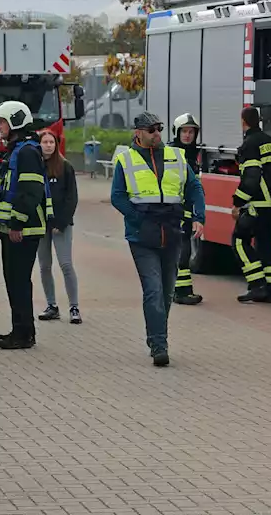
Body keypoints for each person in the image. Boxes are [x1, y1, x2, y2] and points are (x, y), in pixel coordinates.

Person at [111, 112, 205, 367]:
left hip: (172, 233)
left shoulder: (176, 156)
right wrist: (138, 219)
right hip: (142, 237)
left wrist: (199, 216)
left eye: (159, 130)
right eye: (151, 130)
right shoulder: (126, 160)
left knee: (166, 292)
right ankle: (160, 344)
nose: (156, 134)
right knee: (152, 291)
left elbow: (194, 186)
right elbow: (117, 196)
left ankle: (155, 337)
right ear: (138, 132)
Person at [0, 100, 50, 350]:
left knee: (19, 281)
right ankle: (20, 330)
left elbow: (31, 191)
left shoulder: (26, 152)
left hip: (23, 229)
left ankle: (23, 334)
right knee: (14, 281)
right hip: (15, 229)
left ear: (14, 122)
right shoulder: (17, 150)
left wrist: (16, 224)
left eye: (1, 122)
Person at [233, 107, 271, 303]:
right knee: (264, 245)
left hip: (256, 206)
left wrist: (238, 202)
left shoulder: (249, 145)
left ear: (243, 121)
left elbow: (252, 179)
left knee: (238, 241)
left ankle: (256, 285)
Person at [36, 130, 81, 325]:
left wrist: (61, 222)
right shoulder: (36, 167)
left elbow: (72, 198)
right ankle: (51, 305)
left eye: (51, 142)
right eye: (45, 142)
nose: (48, 145)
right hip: (40, 225)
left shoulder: (65, 167)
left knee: (66, 264)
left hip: (60, 226)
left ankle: (74, 306)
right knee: (44, 266)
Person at [169, 113, 204, 306]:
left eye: (191, 132)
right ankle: (180, 292)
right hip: (176, 209)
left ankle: (182, 290)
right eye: (184, 131)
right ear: (177, 132)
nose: (188, 135)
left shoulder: (190, 154)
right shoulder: (173, 153)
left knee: (184, 248)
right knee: (182, 249)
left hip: (185, 209)